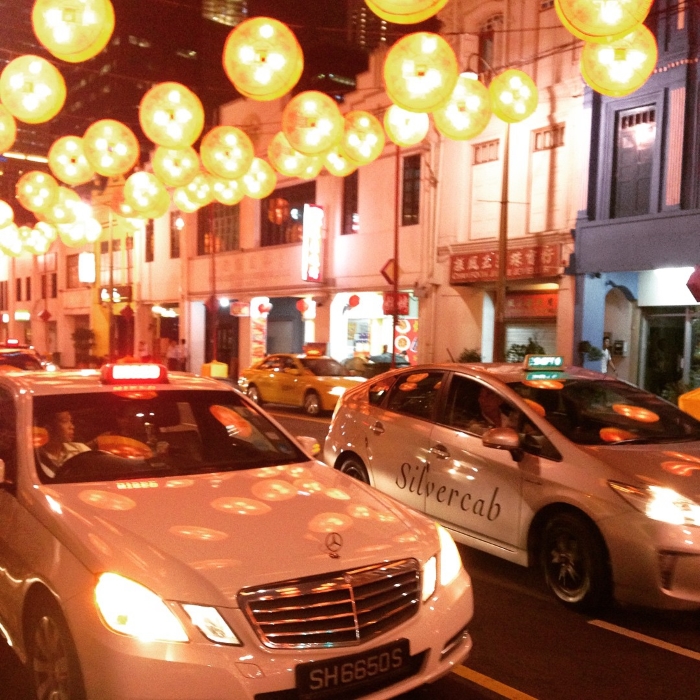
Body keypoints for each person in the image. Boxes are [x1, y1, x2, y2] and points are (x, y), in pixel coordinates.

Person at [36, 411, 90, 479]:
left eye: (71, 421)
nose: (72, 426)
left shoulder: (80, 450)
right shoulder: (34, 458)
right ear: (48, 427)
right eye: (65, 421)